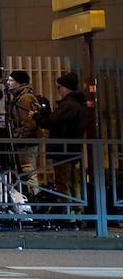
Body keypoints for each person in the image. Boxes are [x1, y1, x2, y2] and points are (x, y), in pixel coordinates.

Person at [43, 72, 89, 227]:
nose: (58, 90)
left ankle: (69, 216)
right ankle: (78, 213)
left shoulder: (69, 105)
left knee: (63, 182)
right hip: (73, 149)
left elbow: (54, 121)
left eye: (59, 87)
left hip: (63, 150)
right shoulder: (78, 104)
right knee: (73, 182)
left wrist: (38, 116)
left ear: (66, 88)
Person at [4, 69, 43, 199]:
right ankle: (29, 198)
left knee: (28, 170)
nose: (8, 83)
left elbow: (29, 123)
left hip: (26, 142)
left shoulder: (25, 98)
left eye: (11, 80)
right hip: (24, 140)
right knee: (25, 170)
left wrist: (18, 138)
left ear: (18, 82)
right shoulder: (19, 96)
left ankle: (33, 199)